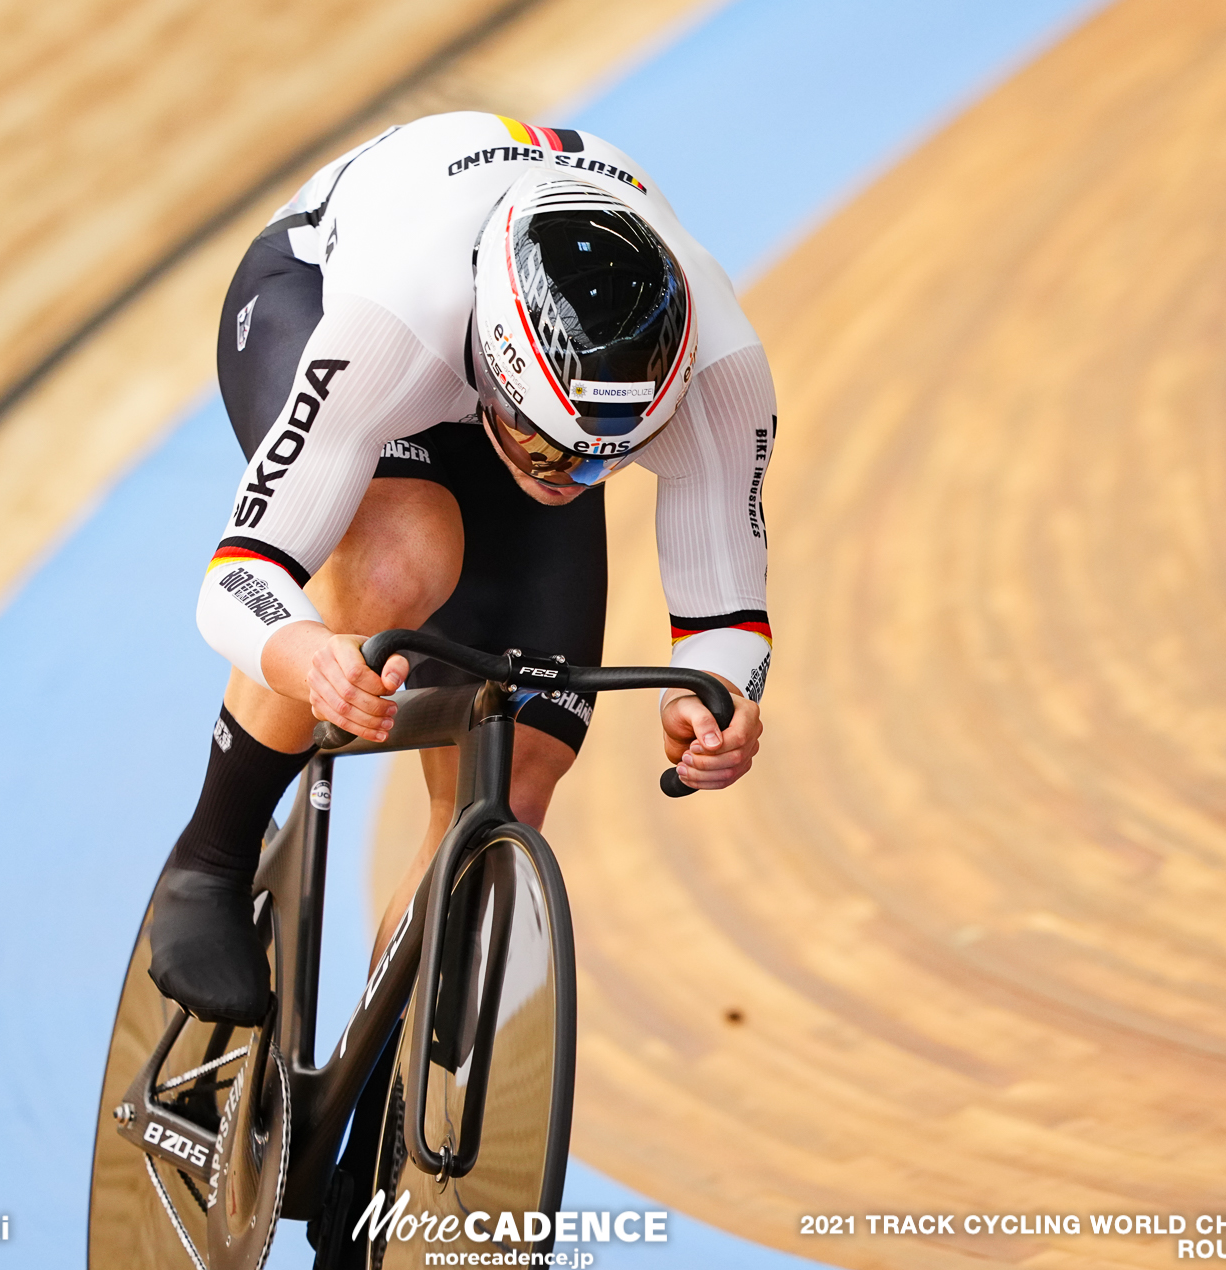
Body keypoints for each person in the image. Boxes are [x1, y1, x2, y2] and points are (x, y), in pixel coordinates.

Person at [149, 111, 776, 1025]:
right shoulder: (387, 327)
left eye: (600, 462)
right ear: (499, 370)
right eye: (547, 451)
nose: (566, 483)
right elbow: (240, 573)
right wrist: (306, 651)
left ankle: (376, 1110)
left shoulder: (715, 379)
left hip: (532, 381)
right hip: (314, 292)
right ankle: (210, 856)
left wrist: (713, 696)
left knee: (520, 771)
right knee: (400, 560)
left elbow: (728, 614)